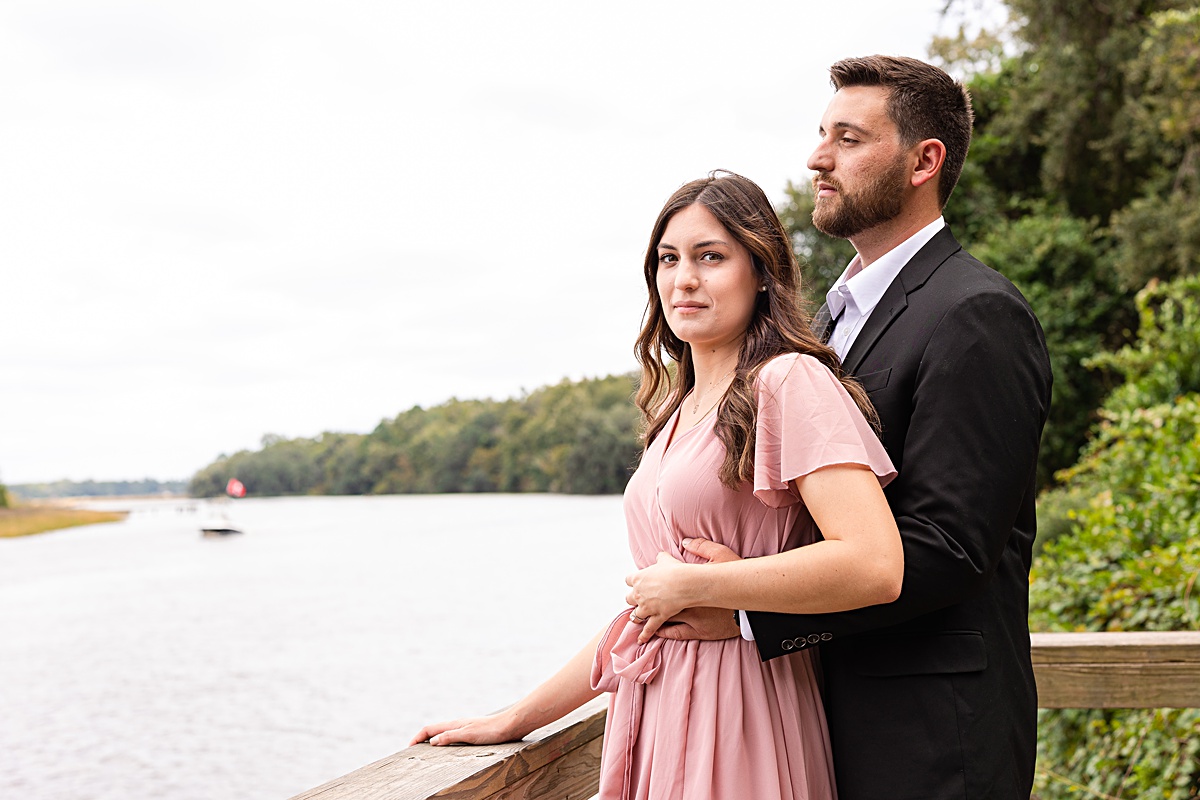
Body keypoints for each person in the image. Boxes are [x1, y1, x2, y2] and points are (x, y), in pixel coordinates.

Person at [626, 56, 1053, 800]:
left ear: (925, 162)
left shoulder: (976, 314)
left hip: (931, 738)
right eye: (822, 135)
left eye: (849, 139)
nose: (818, 157)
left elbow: (950, 548)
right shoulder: (827, 324)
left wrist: (747, 608)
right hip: (813, 720)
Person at [411, 171, 904, 800]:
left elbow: (875, 563)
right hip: (655, 710)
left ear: (760, 271)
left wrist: (708, 584)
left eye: (711, 257)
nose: (684, 279)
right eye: (668, 260)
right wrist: (518, 718)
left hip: (744, 709)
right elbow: (650, 607)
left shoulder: (788, 382)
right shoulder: (676, 411)